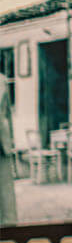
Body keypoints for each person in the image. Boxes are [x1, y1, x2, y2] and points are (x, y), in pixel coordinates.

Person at [0, 79, 16, 227]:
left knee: (5, 189)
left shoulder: (2, 80)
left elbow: (8, 114)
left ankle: (8, 224)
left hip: (2, 142)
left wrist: (10, 141)